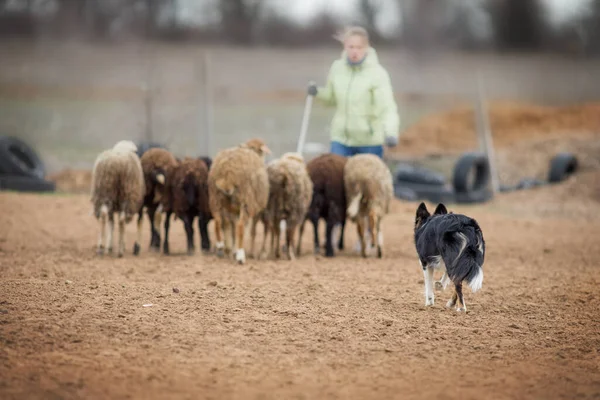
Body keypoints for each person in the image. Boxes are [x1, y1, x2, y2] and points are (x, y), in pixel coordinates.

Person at [307, 26, 400, 159]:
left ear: (366, 48)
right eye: (351, 47)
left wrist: (391, 133)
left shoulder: (378, 74)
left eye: (359, 47)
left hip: (369, 141)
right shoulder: (337, 68)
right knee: (336, 178)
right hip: (341, 139)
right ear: (345, 47)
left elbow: (387, 107)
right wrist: (317, 93)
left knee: (366, 178)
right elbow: (331, 99)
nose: (355, 51)